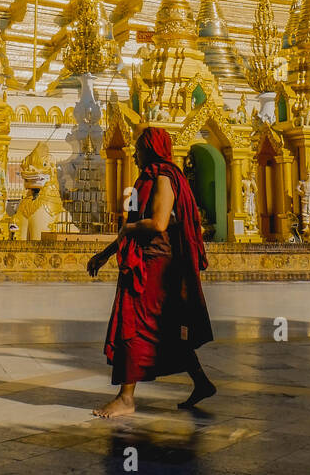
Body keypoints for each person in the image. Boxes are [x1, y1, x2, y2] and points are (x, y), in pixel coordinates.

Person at [87, 126, 215, 418]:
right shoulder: (144, 180)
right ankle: (202, 383)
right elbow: (132, 223)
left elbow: (156, 223)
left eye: (139, 148)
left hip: (155, 266)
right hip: (146, 259)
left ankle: (126, 398)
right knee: (166, 329)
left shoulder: (163, 178)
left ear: (151, 149)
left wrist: (127, 229)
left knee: (132, 325)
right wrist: (105, 254)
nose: (134, 154)